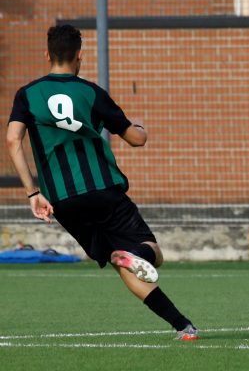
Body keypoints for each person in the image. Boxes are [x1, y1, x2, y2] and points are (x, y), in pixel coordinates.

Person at [6, 24, 199, 339]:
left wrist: (33, 194)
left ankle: (183, 325)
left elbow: (13, 140)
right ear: (80, 55)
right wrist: (142, 127)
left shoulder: (27, 94)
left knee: (119, 262)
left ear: (47, 54)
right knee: (152, 253)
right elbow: (135, 139)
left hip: (63, 200)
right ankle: (140, 259)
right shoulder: (91, 93)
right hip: (103, 190)